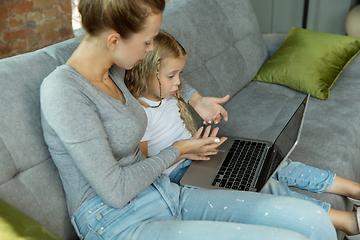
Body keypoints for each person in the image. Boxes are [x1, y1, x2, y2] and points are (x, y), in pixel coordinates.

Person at [40, 0, 337, 239]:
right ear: (114, 39)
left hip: (164, 191)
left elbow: (159, 74)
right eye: (146, 42)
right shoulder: (63, 91)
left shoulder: (115, 70)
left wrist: (196, 99)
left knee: (312, 220)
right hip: (115, 220)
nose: (148, 50)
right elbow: (115, 191)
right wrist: (180, 150)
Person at [124, 30, 360, 238]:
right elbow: (146, 168)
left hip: (200, 153)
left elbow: (176, 82)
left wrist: (197, 104)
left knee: (272, 160)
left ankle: (354, 189)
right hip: (180, 173)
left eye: (179, 74)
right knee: (264, 186)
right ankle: (345, 221)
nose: (178, 82)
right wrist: (186, 148)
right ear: (144, 70)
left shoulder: (163, 91)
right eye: (172, 76)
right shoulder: (140, 114)